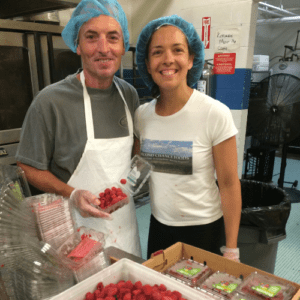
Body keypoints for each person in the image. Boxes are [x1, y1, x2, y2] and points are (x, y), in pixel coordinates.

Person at [15, 0, 141, 257]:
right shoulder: (50, 101)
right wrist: (72, 194)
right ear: (77, 45)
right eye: (92, 37)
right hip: (75, 234)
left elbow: (134, 155)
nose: (103, 48)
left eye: (113, 37)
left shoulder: (129, 94)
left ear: (123, 45)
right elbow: (27, 167)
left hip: (125, 230)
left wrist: (136, 181)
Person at [134, 15, 242, 261]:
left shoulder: (214, 113)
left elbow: (228, 183)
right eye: (157, 52)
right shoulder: (142, 115)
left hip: (203, 230)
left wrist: (232, 247)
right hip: (159, 226)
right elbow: (139, 168)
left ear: (192, 59)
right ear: (147, 63)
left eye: (177, 50)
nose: (168, 59)